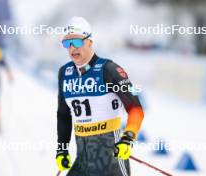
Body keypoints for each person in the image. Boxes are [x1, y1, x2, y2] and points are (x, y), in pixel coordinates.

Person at [56, 17, 144, 176]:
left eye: (76, 42)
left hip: (111, 163)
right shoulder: (65, 73)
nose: (71, 48)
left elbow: (136, 108)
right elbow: (63, 115)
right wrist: (61, 150)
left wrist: (127, 139)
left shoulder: (109, 69)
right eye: (66, 43)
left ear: (89, 41)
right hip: (82, 162)